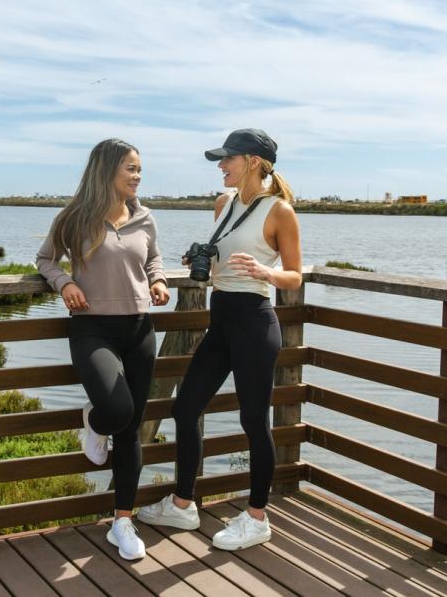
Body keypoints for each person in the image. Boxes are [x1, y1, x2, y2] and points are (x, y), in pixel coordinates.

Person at [137, 128, 302, 550]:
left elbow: (294, 275)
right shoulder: (222, 204)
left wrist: (267, 272)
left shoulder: (279, 211)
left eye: (227, 159)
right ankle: (183, 504)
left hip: (255, 323)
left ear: (251, 161)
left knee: (253, 421)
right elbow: (218, 270)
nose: (220, 166)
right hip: (222, 321)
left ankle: (257, 517)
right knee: (185, 405)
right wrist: (201, 263)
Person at [36, 138, 170, 561]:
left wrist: (159, 281)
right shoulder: (75, 217)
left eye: (139, 169)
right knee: (117, 410)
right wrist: (66, 282)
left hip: (139, 329)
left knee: (131, 428)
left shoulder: (145, 218)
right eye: (131, 168)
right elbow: (45, 260)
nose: (138, 176)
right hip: (93, 329)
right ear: (107, 171)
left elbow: (154, 260)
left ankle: (122, 521)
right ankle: (94, 419)